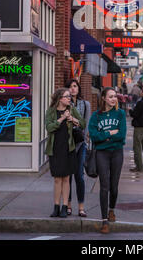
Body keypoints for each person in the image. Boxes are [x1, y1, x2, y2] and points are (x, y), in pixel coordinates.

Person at [88, 87, 127, 234]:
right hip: (102, 153)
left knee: (114, 186)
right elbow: (93, 136)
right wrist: (110, 133)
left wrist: (103, 136)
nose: (113, 99)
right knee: (104, 186)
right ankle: (104, 220)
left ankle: (112, 209)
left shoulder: (120, 114)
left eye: (115, 96)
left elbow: (121, 135)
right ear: (103, 98)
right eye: (110, 96)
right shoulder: (96, 116)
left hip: (117, 152)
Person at [45, 87, 86, 218]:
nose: (69, 98)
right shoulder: (51, 111)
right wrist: (62, 118)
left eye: (69, 96)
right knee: (57, 179)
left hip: (69, 148)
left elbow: (83, 124)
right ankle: (55, 207)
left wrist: (73, 120)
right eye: (66, 96)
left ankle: (64, 206)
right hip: (55, 148)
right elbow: (49, 127)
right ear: (59, 99)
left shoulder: (72, 110)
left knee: (67, 178)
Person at [65, 78, 91, 217]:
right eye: (70, 86)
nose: (73, 89)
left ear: (79, 88)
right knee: (67, 176)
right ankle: (68, 206)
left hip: (80, 144)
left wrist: (84, 139)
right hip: (67, 144)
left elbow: (85, 125)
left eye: (75, 86)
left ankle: (81, 207)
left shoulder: (85, 104)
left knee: (79, 176)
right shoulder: (63, 104)